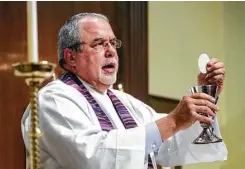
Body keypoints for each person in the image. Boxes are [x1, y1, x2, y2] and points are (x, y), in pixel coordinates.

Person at [21, 13, 227, 169]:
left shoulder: (125, 102)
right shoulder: (54, 100)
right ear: (71, 57)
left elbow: (168, 146)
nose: (111, 51)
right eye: (99, 44)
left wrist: (205, 98)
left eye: (113, 43)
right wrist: (173, 120)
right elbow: (95, 157)